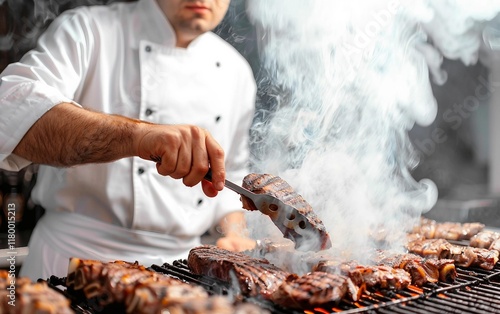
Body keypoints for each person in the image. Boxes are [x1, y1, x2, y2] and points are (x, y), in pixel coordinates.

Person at [0, 0, 257, 281]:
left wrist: (234, 233)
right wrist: (138, 136)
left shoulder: (236, 71)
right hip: (71, 260)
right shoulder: (89, 29)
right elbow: (11, 110)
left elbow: (231, 171)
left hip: (181, 272)